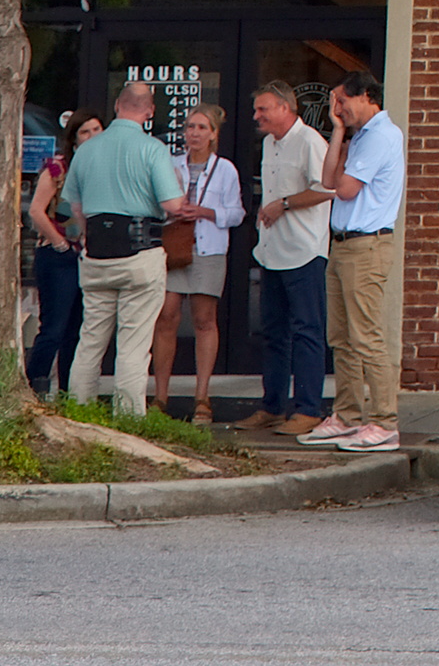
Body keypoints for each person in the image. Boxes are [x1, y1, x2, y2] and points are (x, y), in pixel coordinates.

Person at [62, 80, 188, 415]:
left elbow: (74, 208)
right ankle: (128, 419)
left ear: (117, 105)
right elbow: (173, 204)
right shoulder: (153, 149)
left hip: (97, 255)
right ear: (150, 112)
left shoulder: (86, 149)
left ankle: (79, 414)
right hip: (139, 251)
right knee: (133, 346)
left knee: (90, 342)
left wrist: (88, 232)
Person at [297, 70, 406, 452]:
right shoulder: (359, 137)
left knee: (367, 337)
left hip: (367, 246)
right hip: (343, 243)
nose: (338, 108)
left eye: (342, 101)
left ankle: (383, 421)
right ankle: (346, 414)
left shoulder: (382, 136)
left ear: (367, 97)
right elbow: (327, 179)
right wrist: (338, 132)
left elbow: (344, 189)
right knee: (341, 337)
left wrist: (345, 141)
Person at [245, 80, 333, 435]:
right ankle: (273, 405)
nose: (257, 116)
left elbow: (325, 188)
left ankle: (309, 408)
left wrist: (282, 205)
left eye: (263, 109)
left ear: (285, 108)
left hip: (304, 251)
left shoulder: (310, 141)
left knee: (307, 331)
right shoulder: (270, 143)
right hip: (271, 251)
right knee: (274, 332)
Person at [148, 104, 244, 421]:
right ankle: (160, 395)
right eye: (190, 127)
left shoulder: (226, 170)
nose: (194, 133)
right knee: (166, 317)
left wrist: (204, 212)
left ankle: (202, 397)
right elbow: (156, 205)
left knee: (204, 319)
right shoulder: (171, 164)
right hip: (176, 247)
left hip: (209, 249)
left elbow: (237, 213)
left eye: (202, 127)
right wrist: (175, 210)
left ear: (213, 134)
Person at [25, 109, 104, 398]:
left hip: (89, 257)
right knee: (53, 330)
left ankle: (71, 395)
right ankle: (34, 388)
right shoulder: (57, 169)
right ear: (73, 139)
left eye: (97, 130)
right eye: (85, 132)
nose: (92, 136)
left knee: (77, 331)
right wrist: (59, 242)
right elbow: (36, 211)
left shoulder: (104, 168)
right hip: (57, 257)